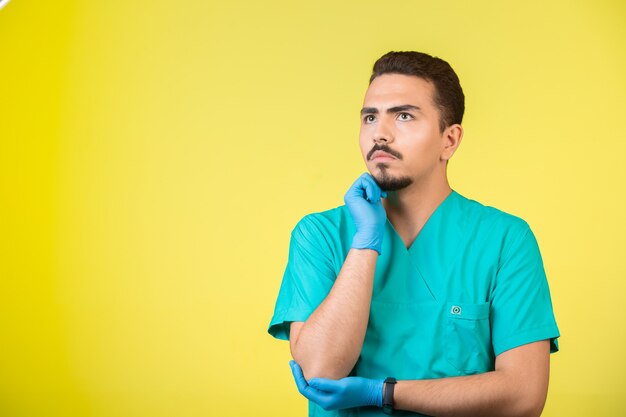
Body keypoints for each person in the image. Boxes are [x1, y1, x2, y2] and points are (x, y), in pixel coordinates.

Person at [267, 51, 560, 417]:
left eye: (404, 116)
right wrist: (366, 241)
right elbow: (320, 370)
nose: (380, 133)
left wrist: (383, 393)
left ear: (449, 141)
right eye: (370, 117)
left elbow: (523, 395)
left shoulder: (505, 240)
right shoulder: (320, 235)